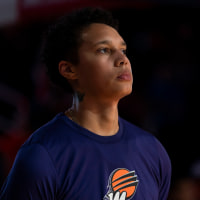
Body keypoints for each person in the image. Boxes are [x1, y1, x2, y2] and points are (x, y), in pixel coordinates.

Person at [0, 7, 171, 200]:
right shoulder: (41, 156)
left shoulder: (153, 150)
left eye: (123, 50)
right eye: (104, 50)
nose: (122, 60)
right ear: (69, 70)